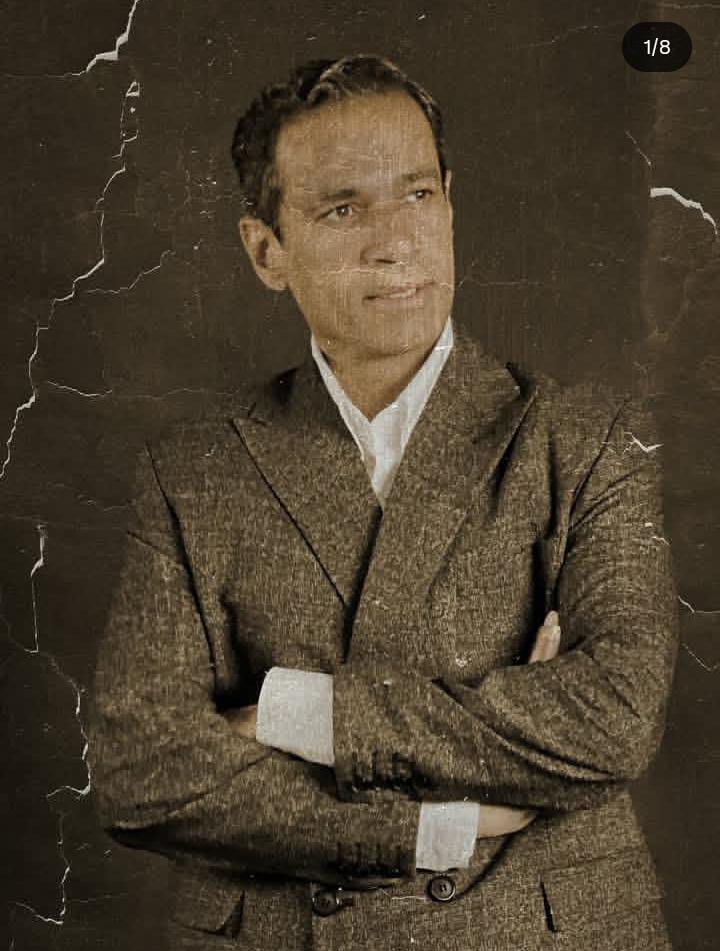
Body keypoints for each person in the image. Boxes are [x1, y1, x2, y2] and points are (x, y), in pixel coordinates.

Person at [88, 55, 679, 951]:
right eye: (342, 209)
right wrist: (438, 825)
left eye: (417, 195)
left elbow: (615, 716)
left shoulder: (584, 439)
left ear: (451, 205)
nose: (394, 241)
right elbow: (141, 767)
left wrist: (291, 714)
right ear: (266, 250)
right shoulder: (192, 473)